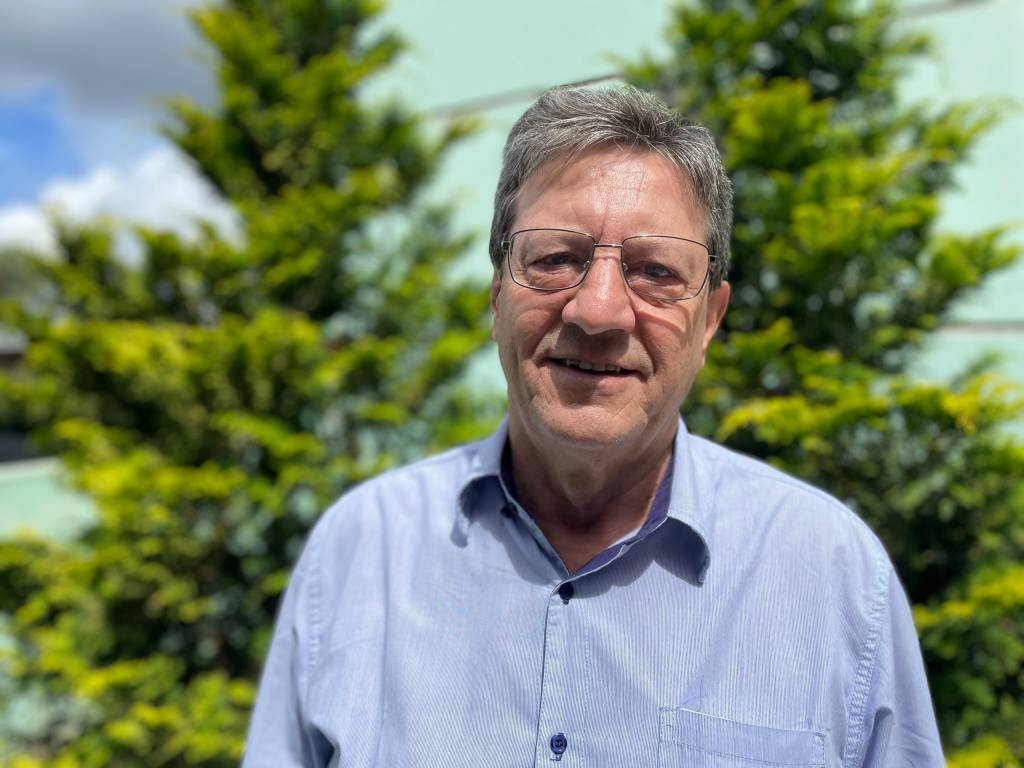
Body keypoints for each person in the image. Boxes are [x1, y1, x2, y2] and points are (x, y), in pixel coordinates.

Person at [243, 84, 944, 767]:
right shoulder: (360, 551)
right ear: (497, 296)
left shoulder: (834, 576)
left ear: (710, 319)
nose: (598, 311)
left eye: (655, 271)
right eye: (555, 259)